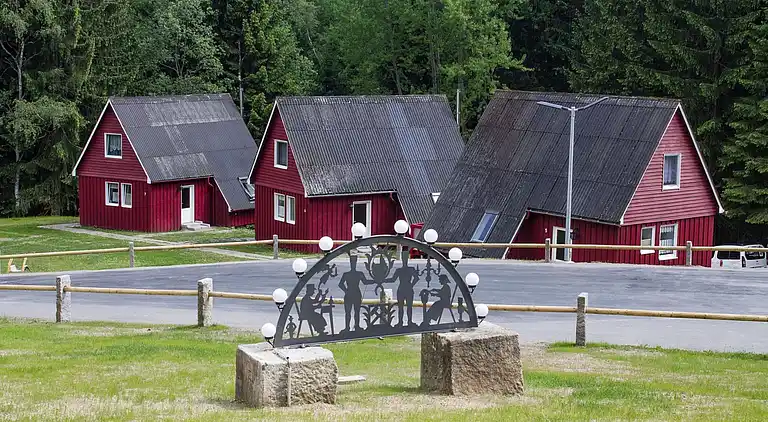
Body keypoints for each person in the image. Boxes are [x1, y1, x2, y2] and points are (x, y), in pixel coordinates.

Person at [338, 254, 368, 332]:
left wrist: (374, 281)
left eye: (354, 263)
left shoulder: (359, 273)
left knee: (356, 312)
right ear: (351, 264)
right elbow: (340, 284)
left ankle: (356, 326)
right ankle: (347, 327)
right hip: (351, 294)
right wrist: (346, 291)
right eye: (352, 263)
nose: (353, 264)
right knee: (348, 312)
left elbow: (365, 282)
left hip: (354, 294)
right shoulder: (347, 274)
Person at [389, 250, 420, 326]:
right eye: (404, 257)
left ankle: (409, 322)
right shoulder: (399, 270)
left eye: (405, 257)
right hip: (402, 289)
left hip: (407, 289)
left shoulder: (410, 269)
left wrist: (411, 285)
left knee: (409, 307)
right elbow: (393, 279)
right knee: (401, 307)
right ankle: (400, 322)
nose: (404, 259)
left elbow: (416, 278)